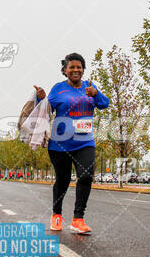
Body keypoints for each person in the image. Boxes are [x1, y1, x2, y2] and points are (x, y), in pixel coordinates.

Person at [35, 52, 110, 234]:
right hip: (60, 143)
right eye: (72, 67)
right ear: (65, 70)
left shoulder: (90, 87)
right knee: (63, 180)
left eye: (79, 67)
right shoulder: (58, 89)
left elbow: (104, 104)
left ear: (83, 70)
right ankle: (57, 215)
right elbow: (46, 108)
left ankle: (78, 219)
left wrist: (96, 94)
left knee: (85, 176)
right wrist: (40, 98)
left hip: (85, 141)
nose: (76, 70)